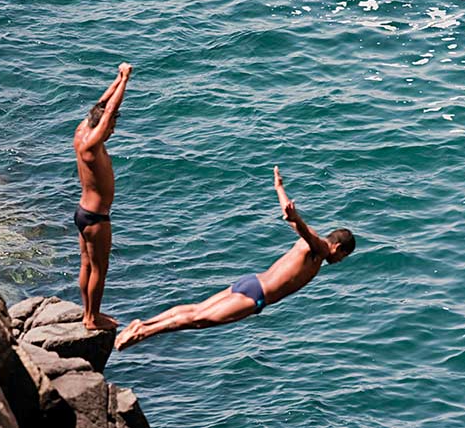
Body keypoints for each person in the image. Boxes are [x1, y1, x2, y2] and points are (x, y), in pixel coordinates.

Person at [114, 165, 355, 350]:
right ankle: (142, 333)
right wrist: (296, 218)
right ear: (338, 248)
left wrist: (279, 190)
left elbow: (294, 221)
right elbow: (301, 228)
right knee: (198, 319)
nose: (339, 261)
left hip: (251, 282)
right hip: (256, 296)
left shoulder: (311, 239)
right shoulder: (321, 249)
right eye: (342, 257)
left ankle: (143, 324)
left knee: (196, 311)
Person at [74, 62, 133, 330]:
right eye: (110, 129)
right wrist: (127, 81)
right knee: (99, 269)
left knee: (87, 264)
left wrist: (117, 78)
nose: (112, 131)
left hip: (82, 213)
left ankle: (87, 313)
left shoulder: (81, 131)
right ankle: (91, 318)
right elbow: (108, 112)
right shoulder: (90, 146)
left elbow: (101, 106)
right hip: (97, 219)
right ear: (101, 128)